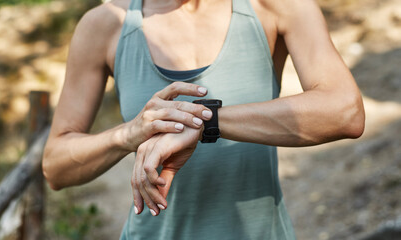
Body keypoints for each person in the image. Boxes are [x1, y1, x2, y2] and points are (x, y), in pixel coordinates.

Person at [42, 0, 365, 239]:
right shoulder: (106, 23)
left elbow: (345, 111)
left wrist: (205, 123)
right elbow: (55, 167)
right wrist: (129, 134)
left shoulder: (273, 6)